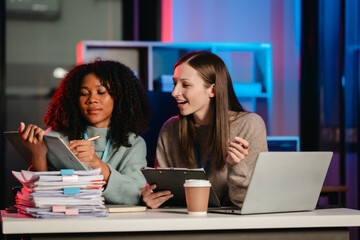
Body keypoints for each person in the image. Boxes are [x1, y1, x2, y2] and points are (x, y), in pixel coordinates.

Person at [142, 51, 268, 209]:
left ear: (213, 90)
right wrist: (153, 197)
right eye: (175, 83)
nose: (174, 92)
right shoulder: (170, 128)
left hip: (232, 227)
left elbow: (251, 202)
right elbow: (167, 197)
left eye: (185, 85)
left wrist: (236, 166)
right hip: (183, 223)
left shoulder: (249, 125)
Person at [19, 60, 151, 205]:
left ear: (119, 97)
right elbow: (41, 195)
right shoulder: (55, 137)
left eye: (101, 92)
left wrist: (96, 163)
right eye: (84, 94)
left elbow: (133, 196)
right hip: (66, 221)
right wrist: (38, 154)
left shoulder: (133, 143)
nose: (92, 99)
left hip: (114, 224)